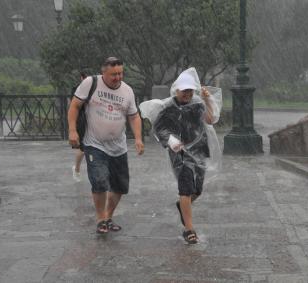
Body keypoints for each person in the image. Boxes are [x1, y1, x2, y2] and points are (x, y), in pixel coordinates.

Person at [140, 67, 221, 244]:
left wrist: (208, 100)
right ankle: (189, 229)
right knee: (185, 188)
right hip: (180, 152)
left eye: (190, 91)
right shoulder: (168, 107)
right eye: (184, 91)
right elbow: (159, 128)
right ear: (176, 90)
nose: (187, 94)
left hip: (199, 150)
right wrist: (171, 141)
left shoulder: (198, 104)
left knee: (197, 190)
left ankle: (183, 205)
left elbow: (210, 119)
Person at [68, 57, 144, 234]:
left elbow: (134, 116)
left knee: (120, 187)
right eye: (113, 74)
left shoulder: (127, 91)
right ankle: (100, 219)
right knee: (100, 181)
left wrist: (138, 138)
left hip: (119, 147)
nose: (117, 77)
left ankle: (108, 216)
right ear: (103, 72)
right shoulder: (90, 83)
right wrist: (72, 130)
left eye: (120, 73)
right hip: (94, 143)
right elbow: (74, 106)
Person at [71, 71, 87, 182]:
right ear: (81, 78)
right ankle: (76, 169)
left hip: (94, 121)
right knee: (82, 149)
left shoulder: (97, 89)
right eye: (85, 78)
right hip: (81, 121)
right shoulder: (76, 89)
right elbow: (74, 108)